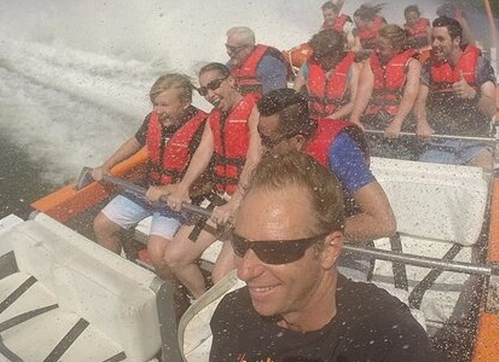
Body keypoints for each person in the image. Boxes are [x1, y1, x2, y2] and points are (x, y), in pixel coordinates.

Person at [207, 151, 439, 362]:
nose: (244, 271)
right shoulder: (235, 312)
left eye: (274, 250)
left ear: (329, 250)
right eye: (239, 244)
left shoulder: (380, 331)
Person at [91, 73, 207, 279]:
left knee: (157, 251)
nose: (158, 111)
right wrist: (106, 165)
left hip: (179, 199)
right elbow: (136, 142)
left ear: (186, 103)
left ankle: (173, 296)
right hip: (148, 187)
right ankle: (117, 277)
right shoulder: (153, 119)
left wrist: (167, 190)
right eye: (155, 104)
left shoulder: (204, 128)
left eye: (164, 105)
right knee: (102, 225)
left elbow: (207, 181)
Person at [165, 63, 262, 298]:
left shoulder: (255, 109)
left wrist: (236, 202)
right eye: (203, 91)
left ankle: (228, 313)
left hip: (249, 200)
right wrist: (183, 188)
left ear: (231, 80)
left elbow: (255, 158)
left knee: (221, 278)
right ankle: (204, 305)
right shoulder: (214, 118)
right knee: (174, 258)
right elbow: (203, 152)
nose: (210, 95)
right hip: (220, 199)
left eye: (214, 86)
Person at [256, 88, 395, 243]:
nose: (262, 147)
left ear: (298, 141)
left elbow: (384, 223)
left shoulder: (339, 149)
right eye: (260, 136)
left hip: (345, 250)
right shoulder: (278, 150)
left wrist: (311, 229)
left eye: (269, 141)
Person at [415, 17, 497, 168]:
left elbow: (491, 109)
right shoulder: (429, 66)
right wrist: (422, 122)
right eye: (433, 39)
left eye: (441, 39)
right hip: (439, 142)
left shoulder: (479, 65)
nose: (434, 44)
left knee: (485, 167)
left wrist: (472, 94)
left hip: (475, 142)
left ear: (456, 41)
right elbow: (420, 100)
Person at [350, 23, 422, 138]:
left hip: (400, 117)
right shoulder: (370, 63)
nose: (377, 51)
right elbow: (364, 91)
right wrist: (355, 117)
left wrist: (397, 122)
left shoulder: (412, 64)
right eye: (376, 46)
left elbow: (410, 95)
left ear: (396, 47)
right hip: (373, 116)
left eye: (382, 48)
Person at [293, 29, 361, 119]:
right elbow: (294, 95)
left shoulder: (352, 69)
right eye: (317, 55)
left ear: (336, 54)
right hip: (312, 119)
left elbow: (355, 102)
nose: (318, 59)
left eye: (322, 55)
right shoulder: (308, 66)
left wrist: (332, 117)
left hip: (339, 121)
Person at [225, 26, 289, 95]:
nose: (228, 52)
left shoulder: (268, 64)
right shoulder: (230, 65)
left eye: (232, 49)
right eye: (227, 47)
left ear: (248, 48)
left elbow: (276, 98)